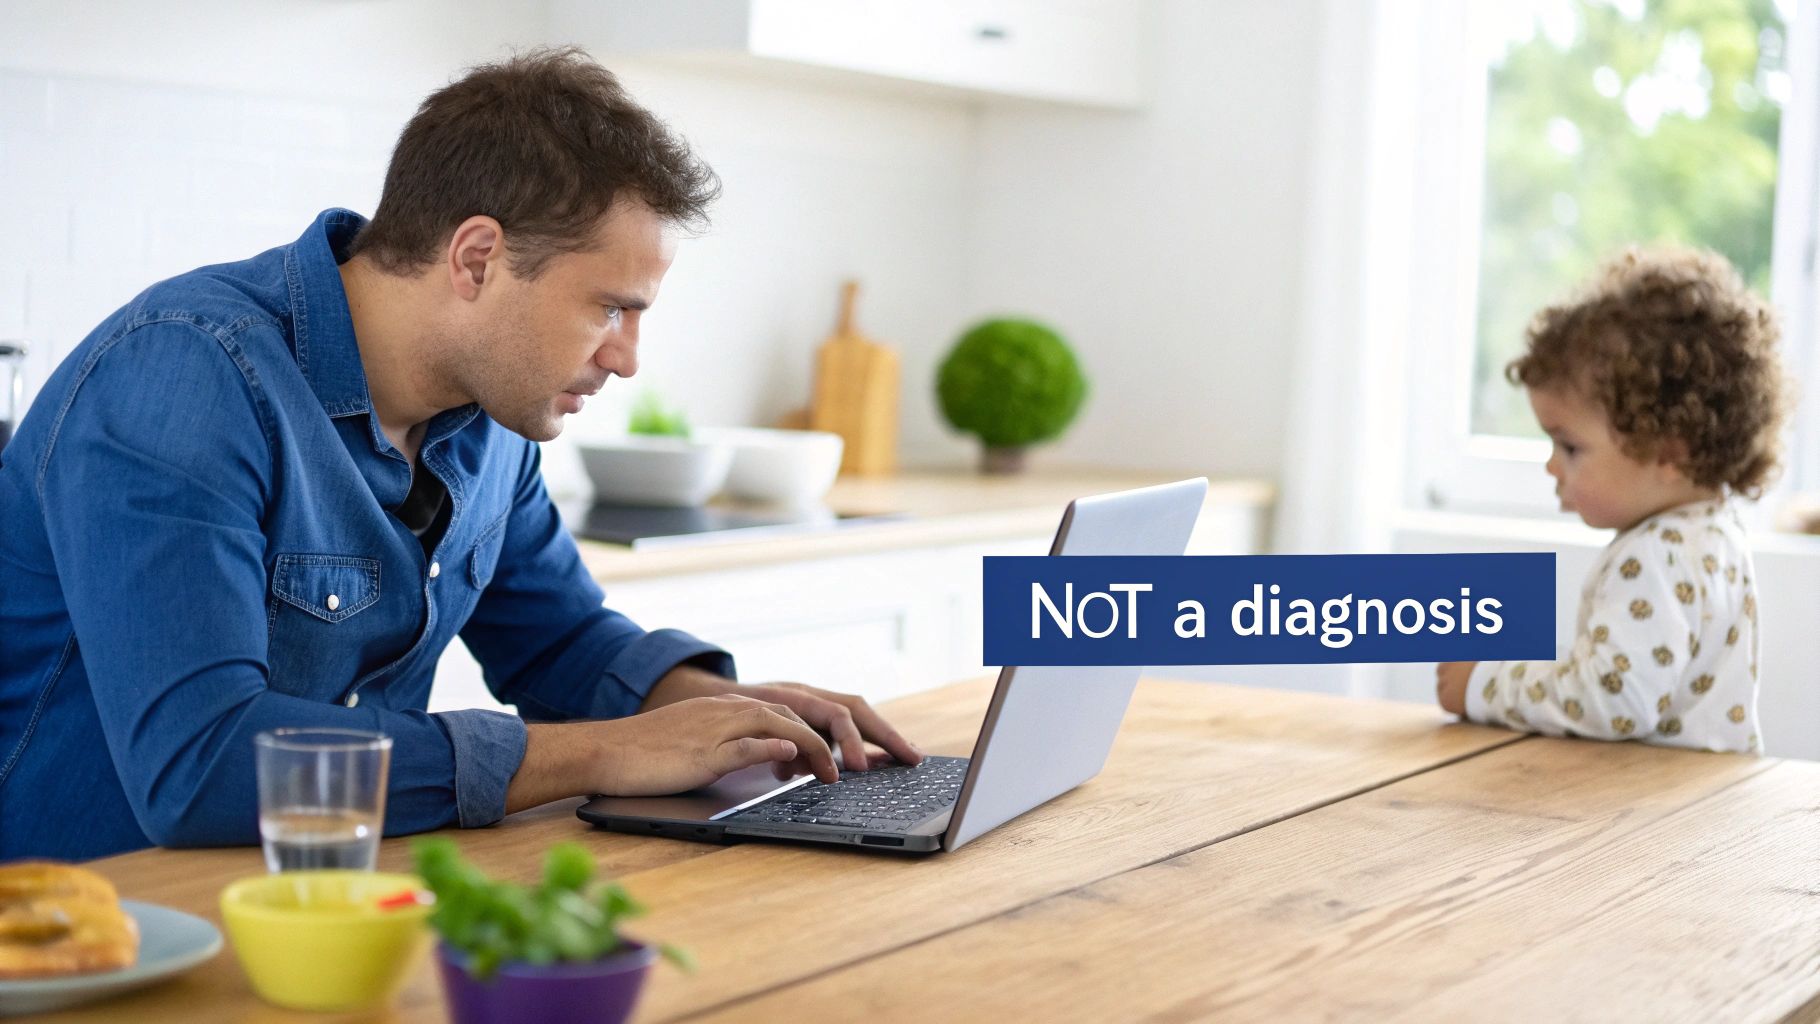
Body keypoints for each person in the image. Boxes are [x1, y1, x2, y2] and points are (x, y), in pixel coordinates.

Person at [0, 47, 919, 860]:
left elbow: (557, 640)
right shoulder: (185, 377)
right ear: (478, 258)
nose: (627, 359)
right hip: (87, 927)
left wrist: (733, 716)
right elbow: (201, 765)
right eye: (609, 307)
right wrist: (604, 751)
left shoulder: (489, 414)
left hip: (326, 902)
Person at [1435, 246, 1788, 753]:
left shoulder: (1655, 554)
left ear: (1668, 451)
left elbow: (1615, 699)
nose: (1552, 467)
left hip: (1654, 798)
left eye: (1570, 447)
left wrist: (1484, 684)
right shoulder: (1715, 533)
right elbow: (1631, 672)